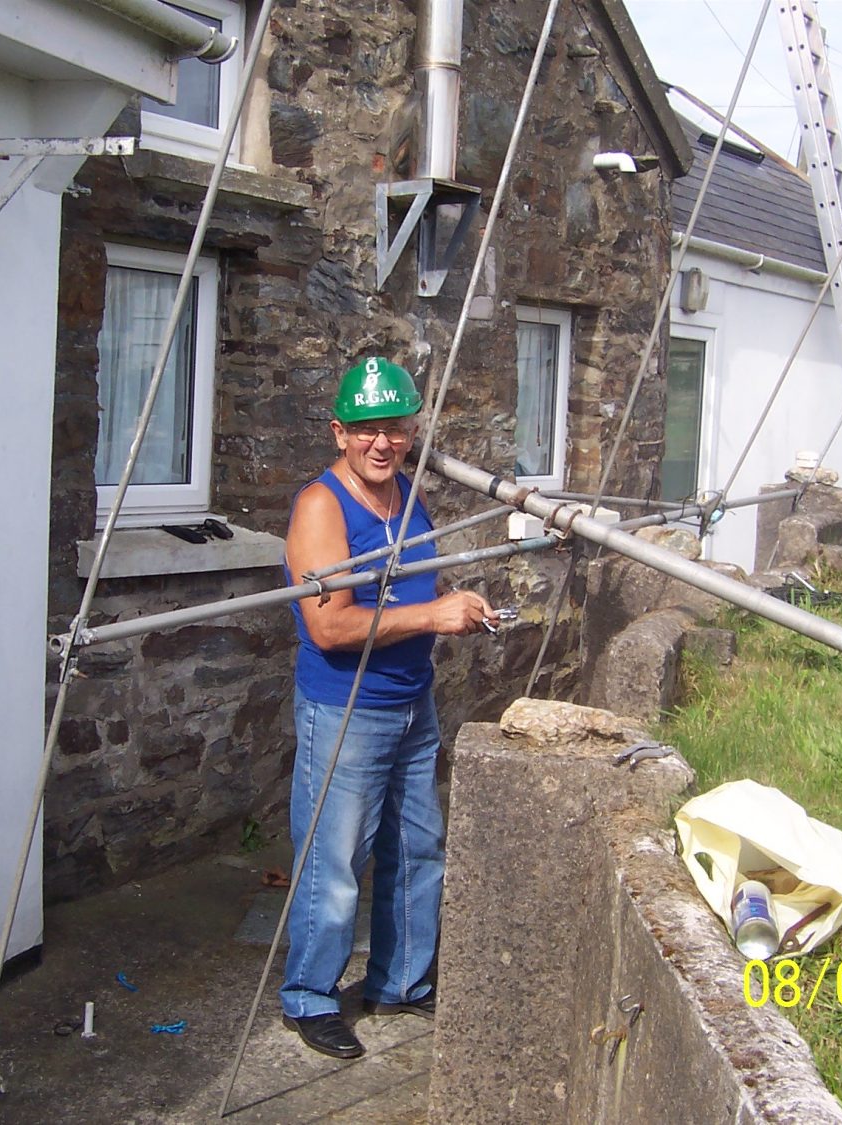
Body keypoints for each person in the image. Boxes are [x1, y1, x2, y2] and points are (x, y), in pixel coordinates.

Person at [280, 356, 496, 1059]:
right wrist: (434, 614)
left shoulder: (405, 493)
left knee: (417, 848)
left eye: (395, 429)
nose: (383, 443)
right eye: (367, 430)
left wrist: (456, 609)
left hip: (410, 704)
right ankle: (310, 998)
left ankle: (400, 983)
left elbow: (411, 590)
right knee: (335, 861)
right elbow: (329, 626)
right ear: (340, 432)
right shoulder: (322, 506)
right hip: (346, 710)